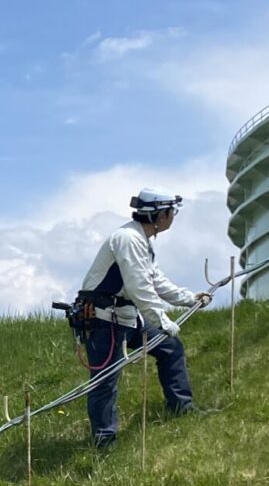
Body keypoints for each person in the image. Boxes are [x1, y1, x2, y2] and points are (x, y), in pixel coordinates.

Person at [76, 188, 211, 448]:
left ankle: (181, 408)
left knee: (170, 348)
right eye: (171, 212)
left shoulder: (142, 240)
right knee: (105, 380)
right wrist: (163, 321)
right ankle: (104, 442)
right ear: (160, 215)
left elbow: (155, 280)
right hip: (104, 319)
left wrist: (188, 298)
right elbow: (140, 288)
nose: (172, 216)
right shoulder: (128, 239)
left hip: (127, 316)